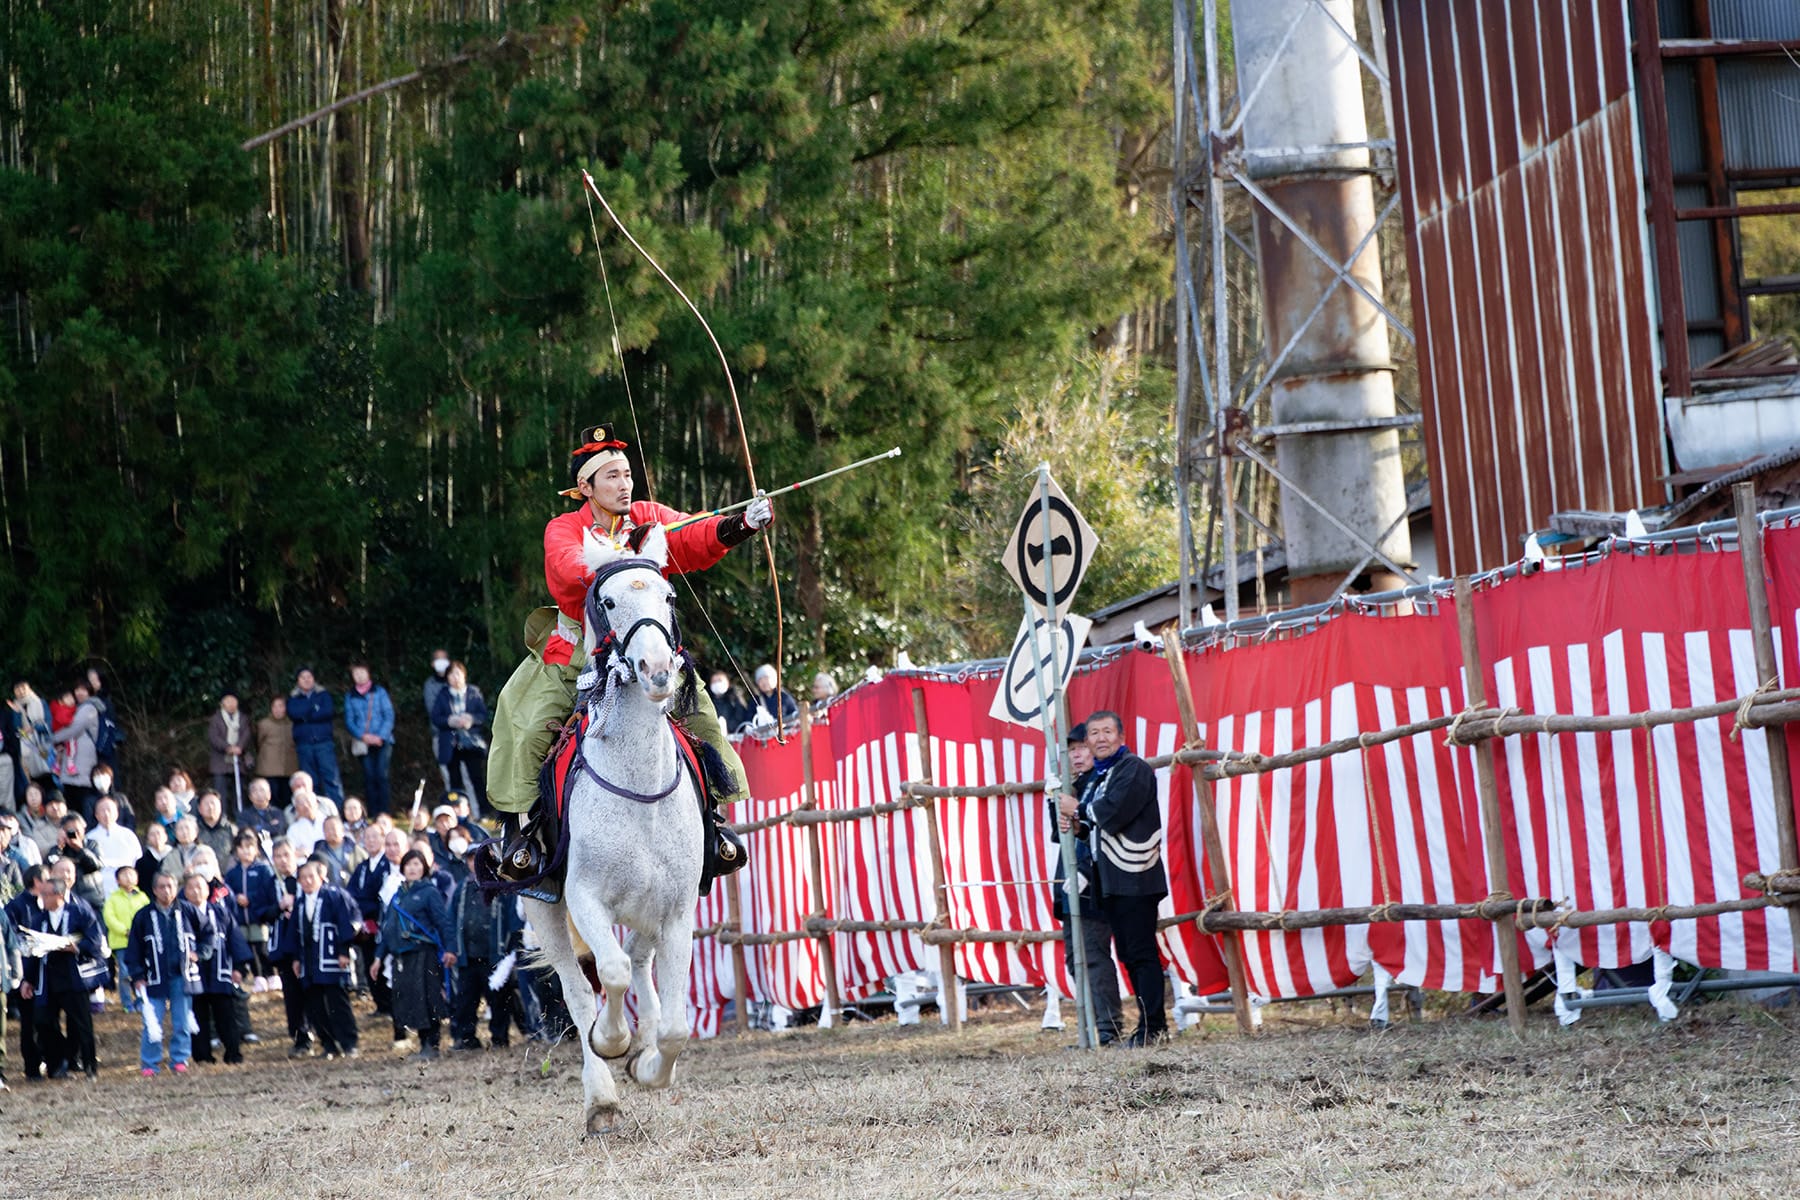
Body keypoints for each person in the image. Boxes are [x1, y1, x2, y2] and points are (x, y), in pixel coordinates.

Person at [485, 423, 768, 894]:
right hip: (581, 647)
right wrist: (615, 560)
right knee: (527, 721)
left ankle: (711, 823)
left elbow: (691, 534)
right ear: (586, 487)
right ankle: (524, 837)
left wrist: (741, 524)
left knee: (702, 715)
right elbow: (565, 569)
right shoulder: (565, 528)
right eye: (612, 476)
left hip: (642, 646)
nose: (624, 484)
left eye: (627, 474)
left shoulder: (646, 517)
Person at [1056, 710, 1168, 1048]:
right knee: (1129, 955)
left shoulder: (1133, 768)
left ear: (1120, 735)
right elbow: (1093, 826)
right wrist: (1075, 824)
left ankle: (1154, 1028)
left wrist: (1076, 808)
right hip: (1113, 880)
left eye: (1107, 731)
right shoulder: (1103, 775)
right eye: (1094, 733)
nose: (1100, 738)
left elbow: (1112, 813)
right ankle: (1147, 1026)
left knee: (1141, 952)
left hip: (1135, 876)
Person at [1048, 722, 1122, 1045]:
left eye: (1082, 748)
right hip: (1069, 881)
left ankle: (1109, 1028)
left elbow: (1099, 832)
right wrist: (1056, 798)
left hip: (1093, 882)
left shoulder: (1103, 784)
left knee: (1093, 955)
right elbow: (1059, 834)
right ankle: (1092, 1028)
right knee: (1074, 959)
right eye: (1072, 750)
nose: (1077, 755)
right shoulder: (1073, 786)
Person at [21, 875, 104, 1079]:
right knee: (43, 1022)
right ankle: (57, 1064)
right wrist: (28, 980)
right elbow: (33, 950)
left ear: (58, 895)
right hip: (48, 979)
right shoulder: (39, 920)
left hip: (73, 978)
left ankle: (90, 1068)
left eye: (46, 895)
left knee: (82, 1024)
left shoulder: (80, 913)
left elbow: (95, 941)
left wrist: (75, 947)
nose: (43, 899)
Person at [375, 849, 452, 1060]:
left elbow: (443, 922)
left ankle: (432, 1044)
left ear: (425, 868)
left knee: (428, 999)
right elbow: (388, 928)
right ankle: (422, 1043)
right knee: (412, 1002)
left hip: (423, 954)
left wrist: (451, 949)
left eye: (417, 864)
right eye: (409, 864)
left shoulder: (430, 892)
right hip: (403, 957)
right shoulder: (398, 895)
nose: (413, 868)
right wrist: (377, 958)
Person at [450, 845, 526, 1050]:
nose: (475, 863)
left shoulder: (502, 887)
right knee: (466, 1000)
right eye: (471, 859)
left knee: (499, 1000)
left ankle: (500, 1038)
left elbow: (512, 919)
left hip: (494, 956)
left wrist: (510, 949)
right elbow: (451, 918)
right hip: (468, 956)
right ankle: (467, 1039)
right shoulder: (462, 888)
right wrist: (453, 948)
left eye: (480, 858)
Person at [123, 871, 197, 1076]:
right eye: (162, 887)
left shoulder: (188, 910)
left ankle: (180, 1058)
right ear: (155, 890)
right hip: (153, 977)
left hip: (181, 975)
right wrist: (138, 976)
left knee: (181, 1021)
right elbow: (134, 950)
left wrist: (200, 952)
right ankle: (150, 1063)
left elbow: (207, 931)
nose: (167, 891)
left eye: (170, 886)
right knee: (152, 1022)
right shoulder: (144, 916)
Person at [286, 859, 360, 1058]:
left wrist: (344, 951)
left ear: (321, 877)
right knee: (314, 1004)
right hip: (309, 960)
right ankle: (328, 1044)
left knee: (338, 1001)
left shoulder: (334, 897)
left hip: (331, 958)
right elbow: (294, 932)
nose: (308, 881)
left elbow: (346, 923)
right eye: (303, 878)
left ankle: (349, 1043)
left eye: (311, 877)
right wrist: (296, 958)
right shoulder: (300, 903)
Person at [182, 871, 251, 1065]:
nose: (196, 891)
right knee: (198, 1015)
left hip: (220, 971)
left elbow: (235, 940)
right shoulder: (181, 915)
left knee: (226, 1014)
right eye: (191, 887)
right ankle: (203, 1056)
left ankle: (233, 1053)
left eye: (200, 887)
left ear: (207, 890)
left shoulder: (221, 912)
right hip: (193, 974)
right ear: (185, 892)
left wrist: (239, 967)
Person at [264, 839, 311, 1054]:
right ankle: (300, 1036)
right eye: (278, 856)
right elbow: (261, 912)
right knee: (292, 994)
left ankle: (318, 1029)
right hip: (283, 946)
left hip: (307, 945)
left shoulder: (306, 878)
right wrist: (279, 908)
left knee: (312, 989)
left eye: (287, 855)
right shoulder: (270, 882)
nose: (283, 861)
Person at [431, 661, 489, 818]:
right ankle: (455, 812)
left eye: (458, 673)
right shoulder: (443, 694)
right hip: (451, 743)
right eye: (451, 674)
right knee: (454, 780)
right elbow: (436, 717)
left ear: (464, 675)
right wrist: (450, 720)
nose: (455, 677)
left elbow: (483, 715)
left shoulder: (473, 692)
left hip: (471, 742)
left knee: (476, 778)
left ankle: (483, 812)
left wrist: (470, 719)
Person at [225, 830, 280, 990]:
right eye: (241, 848)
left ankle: (272, 975)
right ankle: (258, 977)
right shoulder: (232, 873)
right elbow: (228, 892)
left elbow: (267, 892)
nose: (246, 851)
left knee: (262, 947)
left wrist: (251, 899)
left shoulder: (264, 870)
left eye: (249, 847)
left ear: (256, 849)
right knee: (249, 950)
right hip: (241, 919)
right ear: (236, 851)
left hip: (259, 916)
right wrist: (236, 899)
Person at [343, 662, 395, 816]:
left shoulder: (380, 692)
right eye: (356, 673)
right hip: (363, 742)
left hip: (383, 741)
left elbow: (389, 715)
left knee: (382, 775)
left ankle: (384, 812)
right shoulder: (350, 696)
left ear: (368, 673)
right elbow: (349, 721)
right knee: (369, 776)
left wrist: (380, 736)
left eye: (362, 672)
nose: (359, 676)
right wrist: (363, 736)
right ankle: (372, 812)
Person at [47, 681, 102, 821]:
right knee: (71, 809)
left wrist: (52, 738)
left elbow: (73, 729)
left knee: (82, 810)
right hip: (71, 770)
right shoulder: (73, 709)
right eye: (77, 689)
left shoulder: (89, 708)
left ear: (90, 691)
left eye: (83, 689)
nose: (79, 693)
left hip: (82, 769)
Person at [288, 669, 343, 804]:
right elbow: (294, 714)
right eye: (303, 677)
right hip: (304, 744)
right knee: (310, 781)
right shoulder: (293, 698)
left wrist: (305, 714)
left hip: (324, 742)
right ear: (298, 681)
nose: (306, 680)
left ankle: (337, 813)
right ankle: (314, 811)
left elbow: (327, 712)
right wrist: (313, 708)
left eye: (309, 677)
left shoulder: (323, 695)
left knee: (331, 779)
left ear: (314, 679)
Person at [103, 865, 150, 1011]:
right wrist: (125, 931)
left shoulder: (142, 897)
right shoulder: (113, 898)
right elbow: (109, 918)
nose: (129, 877)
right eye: (124, 875)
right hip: (122, 942)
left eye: (132, 874)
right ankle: (127, 1002)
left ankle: (141, 1000)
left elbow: (148, 915)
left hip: (140, 942)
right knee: (124, 973)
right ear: (117, 880)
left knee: (142, 972)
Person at [207, 693, 255, 813]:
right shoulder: (216, 719)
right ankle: (221, 816)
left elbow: (246, 734)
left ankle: (239, 816)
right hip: (220, 760)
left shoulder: (243, 718)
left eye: (233, 701)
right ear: (222, 704)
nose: (231, 704)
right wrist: (227, 747)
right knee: (220, 791)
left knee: (239, 792)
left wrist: (239, 747)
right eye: (228, 701)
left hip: (238, 760)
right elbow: (214, 737)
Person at [87, 797, 141, 901]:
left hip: (127, 886)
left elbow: (137, 861)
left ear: (117, 813)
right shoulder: (90, 837)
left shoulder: (128, 835)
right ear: (96, 815)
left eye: (109, 810)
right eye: (102, 811)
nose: (106, 814)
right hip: (100, 888)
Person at [255, 697, 298, 812]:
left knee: (287, 796)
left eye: (281, 706)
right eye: (275, 706)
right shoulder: (264, 724)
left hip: (289, 766)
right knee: (271, 795)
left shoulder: (292, 724)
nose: (278, 709)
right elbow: (258, 741)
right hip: (269, 767)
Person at [0, 882, 20, 1089]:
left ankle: (0, 1071)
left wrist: (16, 974)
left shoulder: (1, 915)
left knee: (0, 1031)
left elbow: (12, 945)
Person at [747, 663, 798, 731]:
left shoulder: (784, 697)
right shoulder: (755, 700)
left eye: (766, 678)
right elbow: (749, 722)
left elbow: (795, 716)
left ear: (774, 679)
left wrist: (784, 725)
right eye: (760, 680)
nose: (764, 682)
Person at [193, 790, 237, 866]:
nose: (210, 807)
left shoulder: (231, 829)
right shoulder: (194, 829)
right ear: (199, 809)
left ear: (220, 806)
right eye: (206, 804)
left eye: (213, 803)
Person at [239, 777, 288, 842]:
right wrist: (269, 825)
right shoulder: (244, 815)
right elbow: (246, 833)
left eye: (262, 790)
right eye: (255, 791)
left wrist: (256, 827)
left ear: (269, 794)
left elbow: (278, 829)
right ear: (250, 796)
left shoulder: (278, 813)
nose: (259, 794)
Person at [87, 764, 136, 830]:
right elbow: (89, 823)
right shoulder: (89, 801)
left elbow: (130, 819)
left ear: (110, 778)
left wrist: (126, 833)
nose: (101, 779)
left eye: (104, 775)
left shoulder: (121, 798)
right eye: (97, 776)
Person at [313, 815, 356, 885]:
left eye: (333, 828)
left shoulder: (355, 850)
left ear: (342, 830)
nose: (330, 832)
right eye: (327, 829)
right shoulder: (318, 852)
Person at [707, 668, 754, 732]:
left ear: (727, 683)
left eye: (720, 680)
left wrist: (728, 728)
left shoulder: (735, 698)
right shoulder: (707, 702)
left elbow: (741, 716)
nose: (717, 684)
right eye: (714, 681)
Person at [286, 789, 325, 859]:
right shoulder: (293, 829)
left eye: (308, 801)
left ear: (316, 803)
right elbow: (290, 851)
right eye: (301, 803)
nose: (306, 806)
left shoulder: (328, 821)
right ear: (296, 808)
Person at [134, 821, 174, 886]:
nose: (156, 836)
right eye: (152, 834)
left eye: (158, 833)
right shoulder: (142, 862)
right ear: (148, 839)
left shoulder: (175, 856)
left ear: (165, 836)